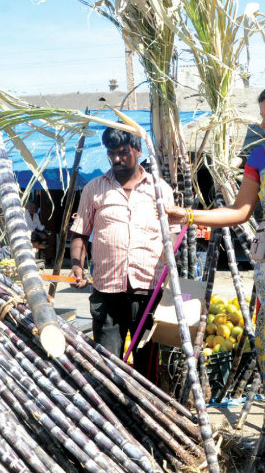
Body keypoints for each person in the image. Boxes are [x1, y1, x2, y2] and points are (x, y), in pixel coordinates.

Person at [168, 79, 265, 471]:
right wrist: (187, 215)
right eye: (262, 117)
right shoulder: (260, 157)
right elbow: (240, 212)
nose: (264, 124)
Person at [69, 127, 176, 377]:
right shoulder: (93, 189)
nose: (117, 159)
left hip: (148, 292)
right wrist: (77, 266)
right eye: (111, 153)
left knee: (147, 367)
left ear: (137, 151)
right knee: (108, 366)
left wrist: (169, 256)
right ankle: (113, 414)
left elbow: (172, 234)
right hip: (107, 293)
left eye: (123, 152)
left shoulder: (160, 190)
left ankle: (146, 413)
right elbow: (80, 235)